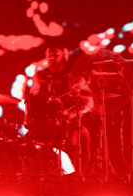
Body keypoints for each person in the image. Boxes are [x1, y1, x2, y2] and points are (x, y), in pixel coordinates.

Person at [23, 43, 88, 171]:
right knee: (26, 144)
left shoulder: (74, 77)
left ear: (64, 54)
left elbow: (88, 102)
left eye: (55, 54)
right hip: (43, 123)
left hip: (69, 123)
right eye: (48, 54)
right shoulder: (40, 76)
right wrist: (28, 118)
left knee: (84, 137)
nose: (51, 57)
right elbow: (30, 100)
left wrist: (71, 114)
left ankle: (81, 175)